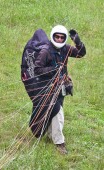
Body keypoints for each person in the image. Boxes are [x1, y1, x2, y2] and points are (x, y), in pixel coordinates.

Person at [33, 25, 86, 154]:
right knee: (58, 113)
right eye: (57, 36)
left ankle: (51, 135)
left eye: (62, 37)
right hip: (47, 88)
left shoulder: (65, 49)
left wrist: (78, 42)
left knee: (54, 111)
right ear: (53, 36)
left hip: (61, 86)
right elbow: (37, 70)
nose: (59, 39)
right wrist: (53, 69)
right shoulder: (46, 51)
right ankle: (59, 143)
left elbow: (81, 54)